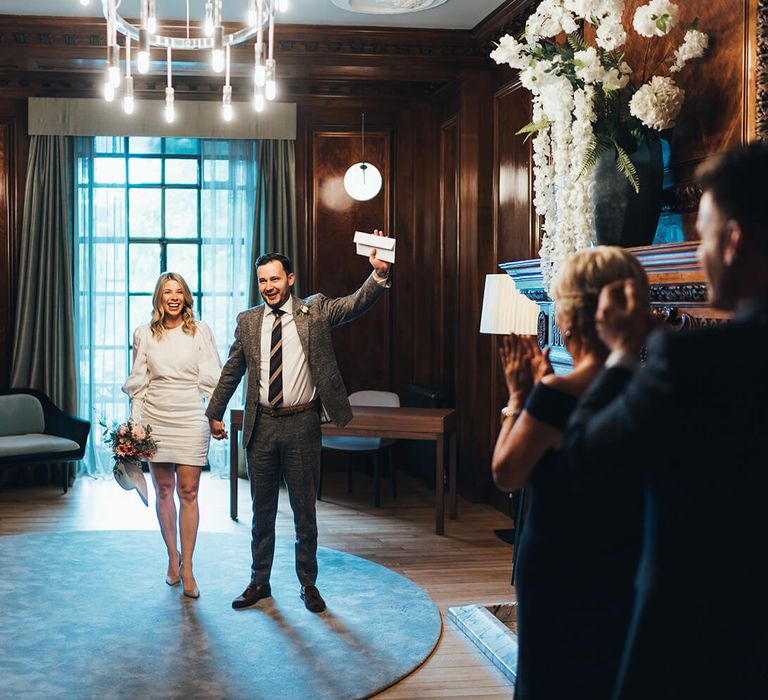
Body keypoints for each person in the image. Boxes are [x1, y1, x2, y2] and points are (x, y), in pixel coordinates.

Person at [566, 141, 768, 699]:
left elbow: (585, 455)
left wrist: (624, 352)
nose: (699, 252)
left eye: (701, 235)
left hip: (701, 645)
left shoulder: (694, 361)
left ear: (732, 242)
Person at [205, 230, 392, 613]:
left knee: (305, 511)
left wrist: (378, 274)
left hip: (302, 424)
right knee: (262, 512)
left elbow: (356, 304)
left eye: (275, 278)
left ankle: (308, 584)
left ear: (290, 280)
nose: (269, 286)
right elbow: (231, 371)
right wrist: (215, 413)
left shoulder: (315, 311)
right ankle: (260, 582)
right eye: (262, 281)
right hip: (262, 427)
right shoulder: (248, 321)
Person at [491, 247, 648, 700]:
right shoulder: (644, 387)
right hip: (621, 560)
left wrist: (519, 399)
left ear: (570, 319)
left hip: (559, 565)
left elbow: (506, 473)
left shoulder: (560, 393)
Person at [122, 272, 222, 599]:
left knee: (189, 491)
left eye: (179, 291)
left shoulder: (200, 331)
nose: (174, 297)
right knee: (164, 490)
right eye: (168, 292)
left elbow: (213, 380)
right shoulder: (145, 334)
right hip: (155, 420)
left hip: (192, 418)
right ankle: (172, 557)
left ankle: (189, 566)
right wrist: (136, 428)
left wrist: (215, 416)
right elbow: (139, 384)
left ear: (186, 297)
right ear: (159, 298)